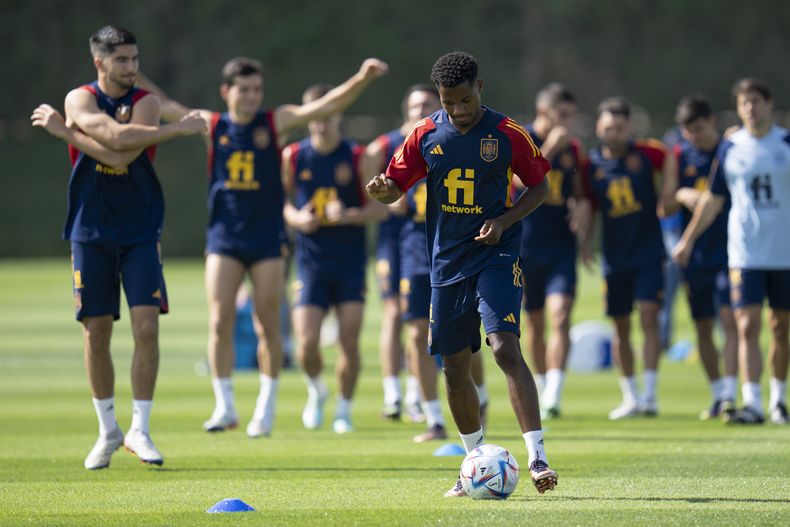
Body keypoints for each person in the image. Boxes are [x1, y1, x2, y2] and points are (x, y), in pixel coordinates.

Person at [138, 57, 388, 437]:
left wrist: (362, 77)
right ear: (227, 92)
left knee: (267, 323)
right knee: (219, 320)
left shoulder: (276, 122)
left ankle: (265, 408)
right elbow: (165, 106)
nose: (253, 96)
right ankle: (224, 405)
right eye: (245, 89)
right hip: (224, 236)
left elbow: (326, 106)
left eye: (257, 89)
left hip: (267, 238)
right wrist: (131, 76)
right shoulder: (214, 124)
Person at [367, 51, 558, 497]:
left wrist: (506, 221)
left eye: (465, 100)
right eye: (449, 102)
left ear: (480, 88)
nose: (458, 110)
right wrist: (383, 192)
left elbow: (541, 186)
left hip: (495, 254)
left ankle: (537, 457)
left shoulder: (508, 133)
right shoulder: (425, 133)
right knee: (453, 367)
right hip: (447, 263)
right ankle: (473, 460)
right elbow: (395, 186)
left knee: (504, 348)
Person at [30, 25, 207, 469]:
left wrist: (64, 134)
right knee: (97, 333)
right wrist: (176, 130)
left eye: (135, 58)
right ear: (100, 63)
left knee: (147, 327)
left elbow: (123, 152)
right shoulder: (79, 98)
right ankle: (107, 429)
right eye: (123, 60)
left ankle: (140, 430)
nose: (132, 68)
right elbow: (111, 141)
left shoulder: (145, 101)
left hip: (141, 229)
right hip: (89, 229)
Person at [672, 79, 789, 425]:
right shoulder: (730, 147)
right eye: (743, 103)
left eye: (755, 101)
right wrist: (688, 240)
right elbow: (713, 199)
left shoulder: (785, 143)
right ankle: (752, 402)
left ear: (768, 104)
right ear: (737, 110)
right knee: (747, 324)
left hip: (783, 252)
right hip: (745, 253)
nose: (750, 108)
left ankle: (779, 400)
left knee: (780, 327)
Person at [283, 83, 387, 434]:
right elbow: (282, 204)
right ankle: (317, 391)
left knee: (348, 340)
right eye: (316, 117)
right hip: (311, 262)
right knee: (306, 342)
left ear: (338, 115)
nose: (322, 125)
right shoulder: (294, 156)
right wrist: (297, 219)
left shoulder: (359, 156)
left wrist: (350, 215)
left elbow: (379, 210)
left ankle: (344, 409)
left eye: (329, 117)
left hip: (349, 262)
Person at [580, 96, 677, 420]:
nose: (614, 134)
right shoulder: (591, 165)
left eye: (619, 128)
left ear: (629, 128)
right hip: (615, 256)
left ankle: (650, 394)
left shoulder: (647, 153)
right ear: (599, 127)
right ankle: (630, 396)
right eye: (608, 128)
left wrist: (668, 192)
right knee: (620, 326)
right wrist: (584, 242)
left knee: (649, 317)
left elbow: (672, 156)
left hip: (649, 251)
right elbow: (589, 205)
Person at [365, 84, 442, 421]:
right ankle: (392, 394)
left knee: (428, 321)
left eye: (426, 104)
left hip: (430, 235)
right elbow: (370, 187)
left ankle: (415, 392)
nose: (419, 110)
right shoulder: (385, 145)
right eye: (414, 105)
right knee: (396, 313)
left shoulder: (442, 141)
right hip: (395, 237)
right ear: (405, 110)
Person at [517, 83, 589, 419]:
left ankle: (555, 393)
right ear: (543, 111)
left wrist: (579, 215)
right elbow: (516, 184)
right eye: (563, 114)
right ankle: (543, 383)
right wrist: (548, 148)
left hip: (561, 244)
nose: (568, 122)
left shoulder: (572, 148)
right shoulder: (522, 139)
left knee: (560, 315)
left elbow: (579, 192)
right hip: (526, 243)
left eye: (571, 116)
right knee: (534, 322)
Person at [670, 94, 738, 419]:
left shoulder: (730, 150)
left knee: (731, 319)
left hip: (730, 250)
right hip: (695, 257)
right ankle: (716, 394)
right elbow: (664, 204)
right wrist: (683, 194)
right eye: (687, 131)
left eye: (698, 129)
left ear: (712, 121)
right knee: (703, 325)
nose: (693, 136)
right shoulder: (681, 155)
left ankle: (730, 393)